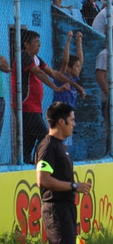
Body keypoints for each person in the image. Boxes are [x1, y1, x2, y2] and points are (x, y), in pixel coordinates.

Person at [11, 30, 84, 163]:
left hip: (35, 107)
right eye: (36, 42)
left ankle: (28, 164)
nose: (39, 45)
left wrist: (76, 86)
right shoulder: (24, 56)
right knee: (46, 137)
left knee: (29, 140)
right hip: (25, 106)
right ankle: (42, 163)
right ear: (26, 44)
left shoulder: (36, 58)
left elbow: (53, 73)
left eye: (39, 42)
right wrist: (55, 88)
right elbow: (38, 73)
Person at [35, 102, 91, 244]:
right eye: (71, 120)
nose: (74, 124)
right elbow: (43, 180)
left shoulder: (60, 146)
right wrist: (73, 186)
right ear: (61, 121)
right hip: (56, 210)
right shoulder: (47, 147)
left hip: (67, 209)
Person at [52, 31, 85, 148]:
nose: (78, 68)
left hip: (68, 115)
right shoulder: (62, 77)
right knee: (60, 144)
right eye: (76, 66)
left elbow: (81, 59)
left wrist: (79, 40)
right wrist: (68, 40)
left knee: (65, 145)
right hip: (59, 114)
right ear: (69, 69)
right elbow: (65, 61)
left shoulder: (75, 79)